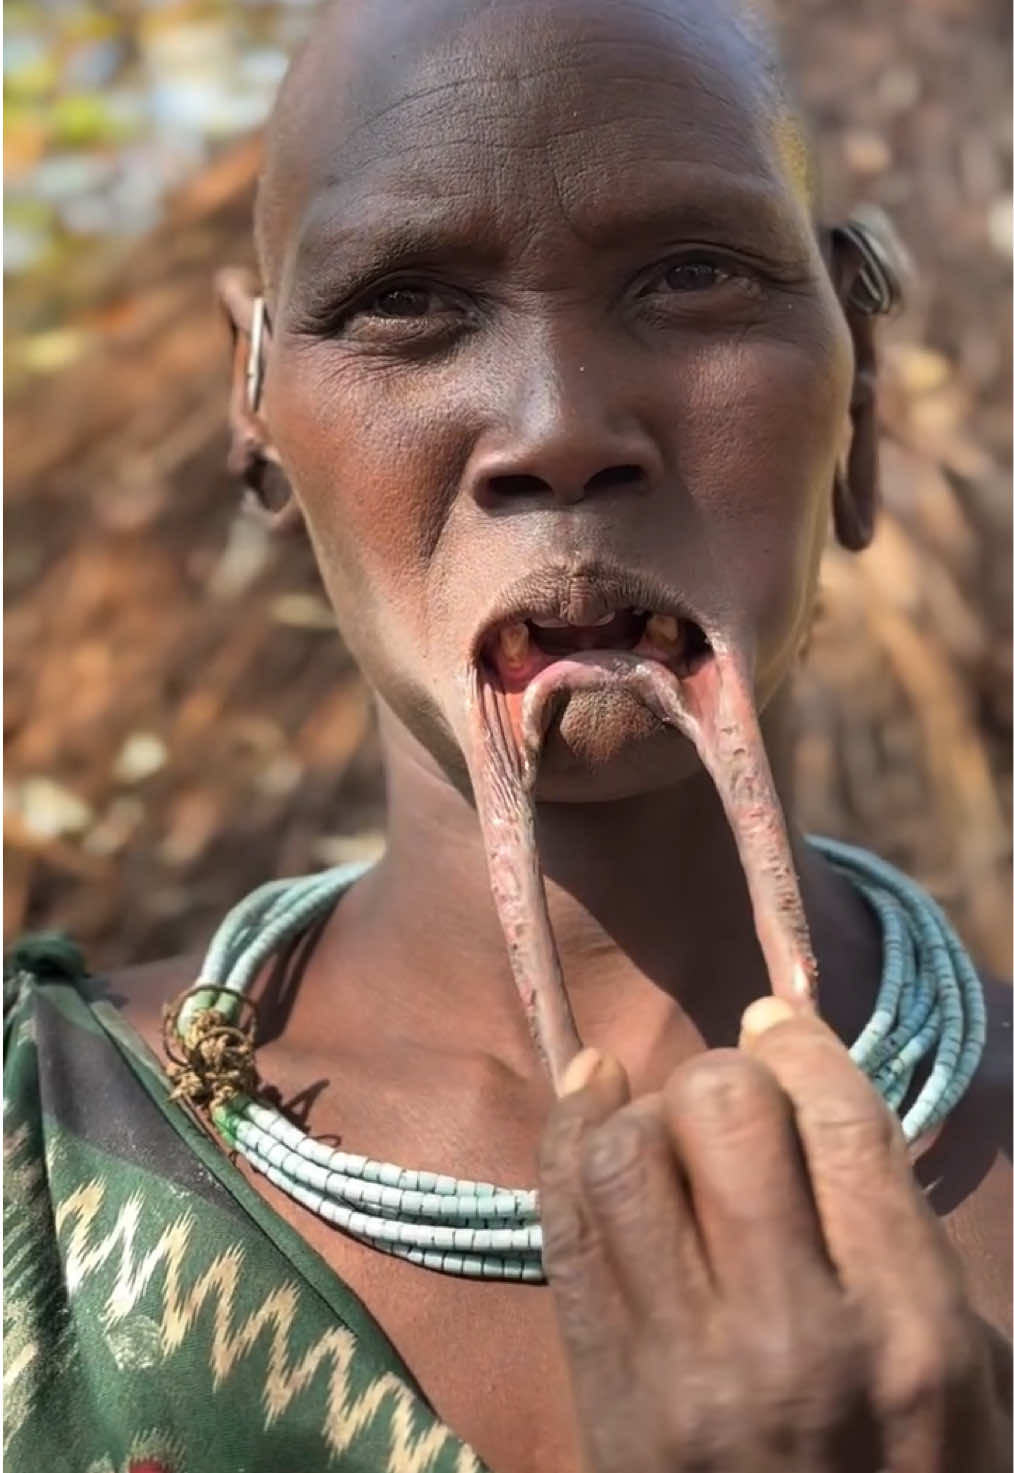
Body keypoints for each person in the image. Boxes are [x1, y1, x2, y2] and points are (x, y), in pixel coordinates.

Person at [4, 0, 1011, 1469]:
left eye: (691, 276)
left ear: (852, 388)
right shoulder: (38, 1164)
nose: (559, 425)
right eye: (406, 300)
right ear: (257, 403)